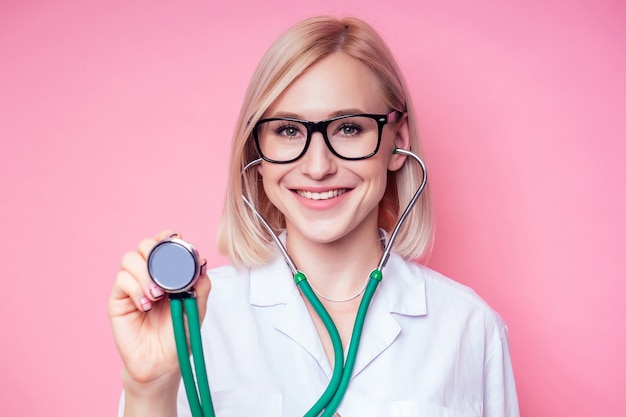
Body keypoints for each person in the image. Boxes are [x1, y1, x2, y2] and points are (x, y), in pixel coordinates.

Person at [109, 16, 519, 417]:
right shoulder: (193, 323)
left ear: (397, 142)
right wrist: (149, 389)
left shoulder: (470, 329)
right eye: (288, 131)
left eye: (349, 129)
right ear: (256, 150)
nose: (318, 166)